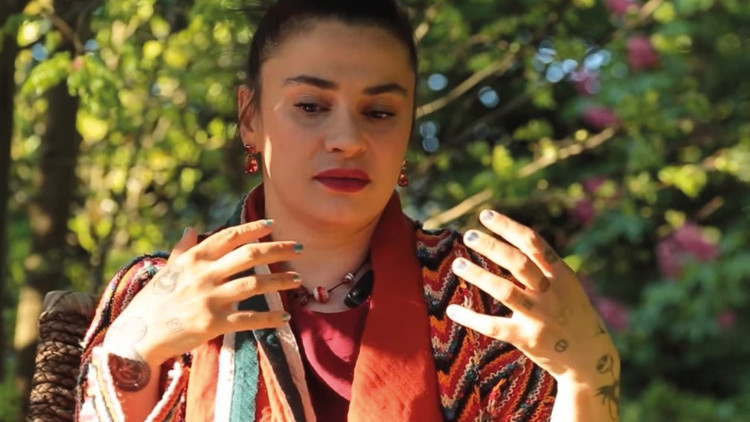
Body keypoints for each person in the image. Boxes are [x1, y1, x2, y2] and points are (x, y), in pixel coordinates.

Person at [75, 0, 620, 421]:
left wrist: (587, 377)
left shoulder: (481, 298)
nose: (348, 139)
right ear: (250, 117)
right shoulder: (158, 291)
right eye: (311, 106)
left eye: (379, 112)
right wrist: (132, 349)